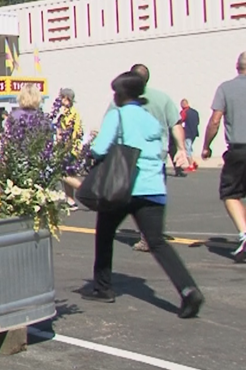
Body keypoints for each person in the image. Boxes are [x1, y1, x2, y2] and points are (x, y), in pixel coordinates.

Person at [80, 71, 204, 318]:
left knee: (105, 233)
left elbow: (101, 147)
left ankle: (103, 287)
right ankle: (188, 290)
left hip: (123, 186)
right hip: (153, 185)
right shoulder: (150, 119)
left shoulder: (118, 115)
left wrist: (91, 153)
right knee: (157, 242)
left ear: (120, 95)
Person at [126, 64, 190, 250]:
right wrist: (181, 149)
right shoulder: (163, 98)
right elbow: (176, 124)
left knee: (132, 197)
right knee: (154, 195)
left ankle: (147, 235)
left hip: (131, 156)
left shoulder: (123, 99)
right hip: (156, 155)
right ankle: (151, 233)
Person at [201, 52, 246, 263]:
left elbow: (215, 120)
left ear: (237, 66)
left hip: (239, 150)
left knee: (231, 193)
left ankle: (244, 233)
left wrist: (207, 146)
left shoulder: (226, 88)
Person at [180, 98, 200, 171]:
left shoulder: (184, 112)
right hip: (194, 132)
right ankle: (193, 162)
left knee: (187, 149)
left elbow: (180, 121)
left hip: (187, 133)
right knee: (190, 147)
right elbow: (198, 122)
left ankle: (191, 165)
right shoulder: (195, 112)